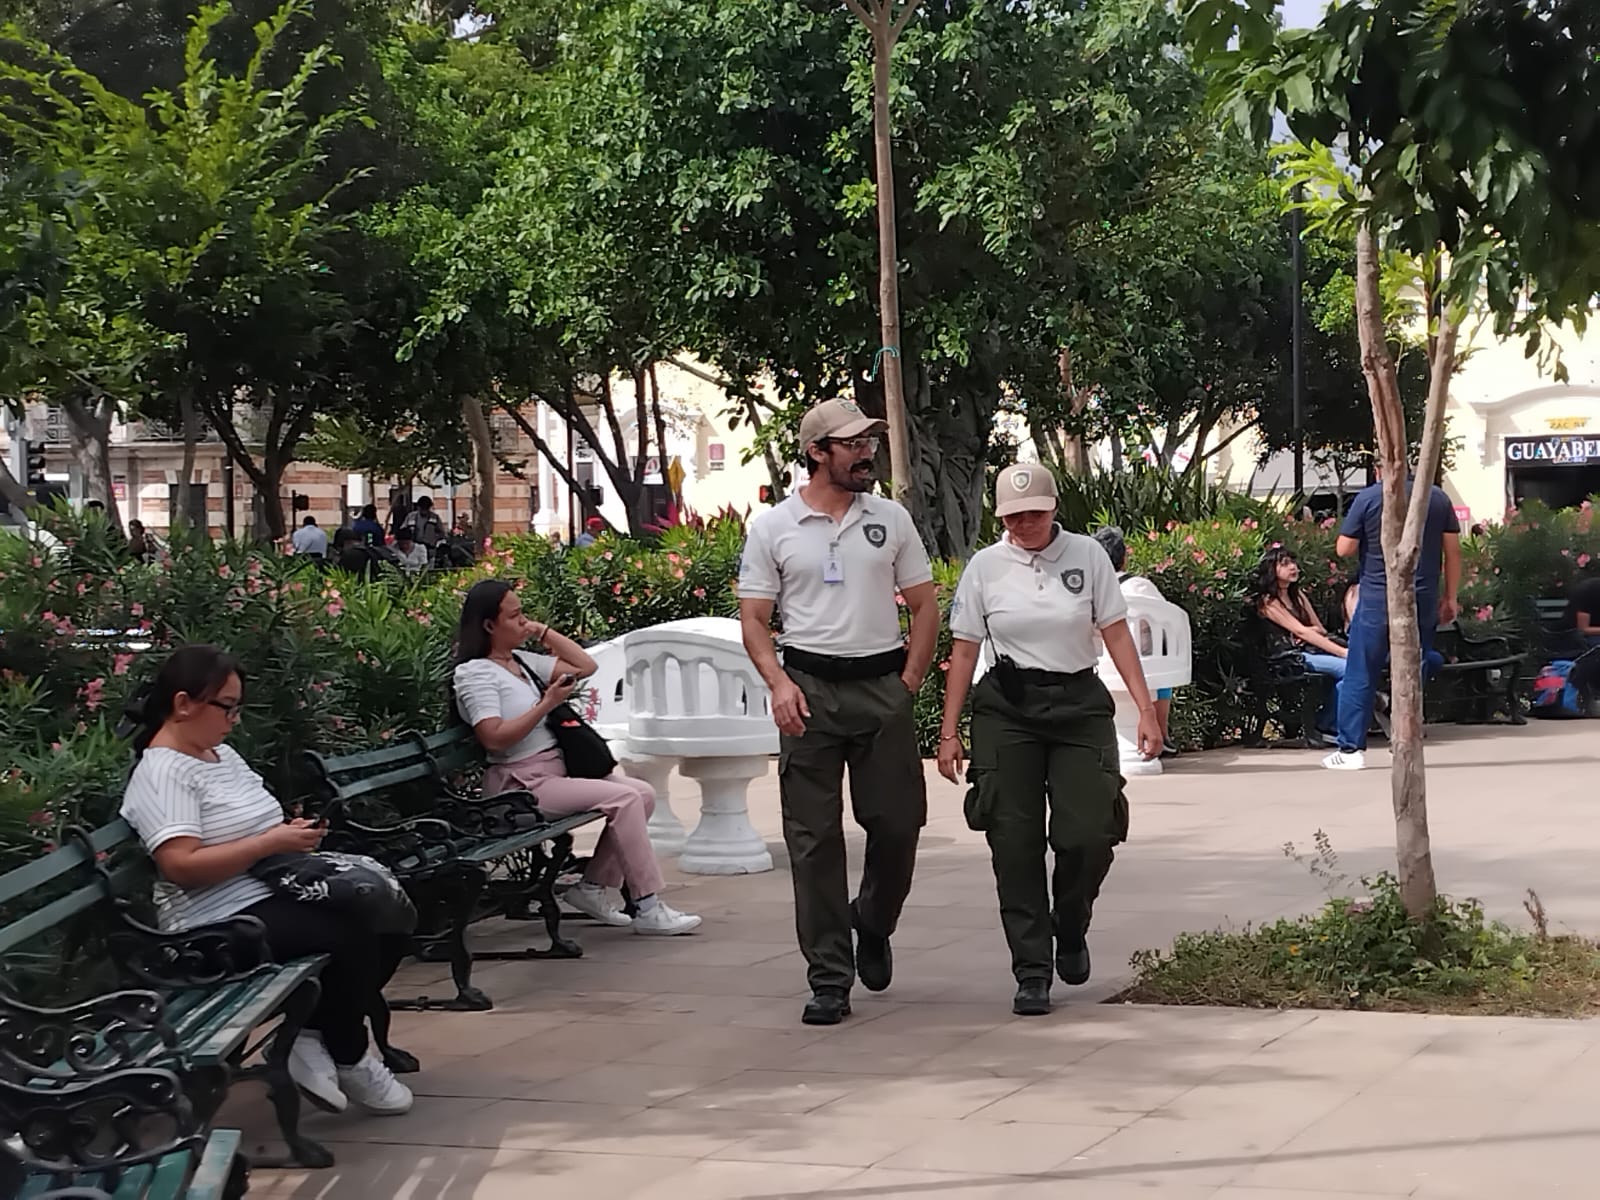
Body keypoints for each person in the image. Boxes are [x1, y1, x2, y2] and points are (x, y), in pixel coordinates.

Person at [119, 644, 414, 1115]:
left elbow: (256, 827)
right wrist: (268, 843)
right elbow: (180, 866)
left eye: (238, 707)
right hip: (211, 926)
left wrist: (290, 834)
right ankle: (350, 1055)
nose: (233, 719)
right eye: (227, 707)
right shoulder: (163, 772)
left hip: (267, 892)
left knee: (387, 909)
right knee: (350, 931)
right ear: (183, 704)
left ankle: (311, 1036)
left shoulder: (220, 755)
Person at [737, 398, 939, 1026]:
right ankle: (829, 977)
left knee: (899, 824)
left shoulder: (891, 519)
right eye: (852, 444)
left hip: (881, 686)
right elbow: (754, 619)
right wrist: (778, 684)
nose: (866, 453)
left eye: (869, 442)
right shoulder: (774, 527)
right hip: (808, 690)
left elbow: (924, 605)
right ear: (817, 452)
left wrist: (908, 681)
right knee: (813, 840)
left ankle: (872, 921)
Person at [937, 466, 1158, 1017]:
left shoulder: (1088, 556)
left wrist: (1146, 710)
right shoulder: (985, 567)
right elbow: (964, 649)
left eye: (1034, 512)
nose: (1025, 523)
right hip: (1007, 709)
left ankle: (1072, 921)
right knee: (1014, 843)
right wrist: (948, 731)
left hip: (1078, 704)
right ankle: (1032, 969)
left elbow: (1116, 634)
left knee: (1088, 831)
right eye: (1013, 516)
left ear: (1054, 506)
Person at [453, 580, 700, 936]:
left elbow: (585, 666)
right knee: (625, 798)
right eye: (514, 616)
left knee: (642, 793)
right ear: (489, 625)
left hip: (554, 773)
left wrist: (543, 631)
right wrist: (547, 704)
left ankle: (591, 888)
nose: (523, 621)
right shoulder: (476, 673)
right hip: (520, 786)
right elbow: (492, 738)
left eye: (523, 613)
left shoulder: (520, 662)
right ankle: (647, 905)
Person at [1325, 468, 1460, 771]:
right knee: (1413, 669)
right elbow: (1453, 552)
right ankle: (1405, 740)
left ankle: (1350, 750)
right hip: (1421, 598)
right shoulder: (1437, 498)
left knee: (1361, 671)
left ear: (1379, 469)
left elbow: (1344, 548)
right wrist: (1451, 597)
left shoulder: (1369, 498)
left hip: (1377, 598)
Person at [1092, 525, 1177, 755]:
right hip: (1147, 665)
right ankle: (1163, 732)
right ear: (1124, 559)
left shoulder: (1091, 588)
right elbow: (1166, 619)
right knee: (1160, 668)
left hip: (1100, 665)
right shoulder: (1142, 586)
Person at [1248, 545, 1348, 740]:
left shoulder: (1297, 596)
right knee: (1347, 668)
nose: (1293, 567)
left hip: (1308, 650)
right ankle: (1327, 725)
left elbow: (1319, 629)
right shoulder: (1268, 602)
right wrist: (1341, 652)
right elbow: (1300, 630)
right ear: (1271, 569)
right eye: (1285, 564)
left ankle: (1327, 722)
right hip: (1288, 657)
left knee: (1351, 671)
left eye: (1293, 562)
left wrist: (1308, 632)